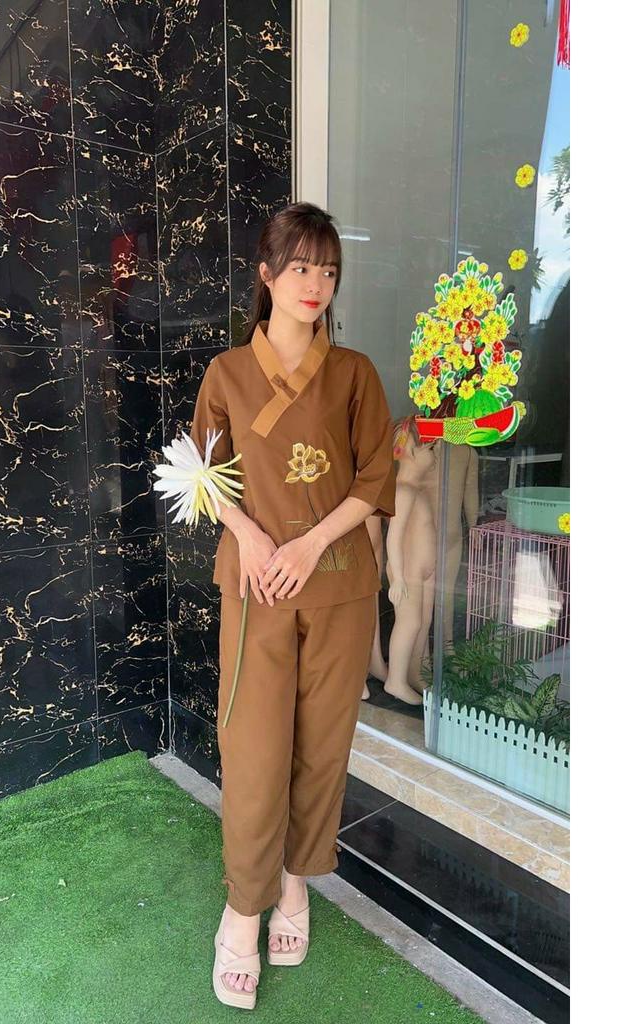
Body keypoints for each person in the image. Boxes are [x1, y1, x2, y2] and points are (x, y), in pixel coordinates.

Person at [188, 202, 396, 1009]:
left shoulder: (356, 374)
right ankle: (244, 909)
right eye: (302, 266)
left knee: (321, 744)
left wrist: (310, 545)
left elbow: (374, 476)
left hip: (338, 583)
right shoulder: (226, 375)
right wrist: (247, 533)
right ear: (267, 275)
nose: (317, 284)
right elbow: (204, 475)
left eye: (329, 269)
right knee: (253, 747)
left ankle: (297, 882)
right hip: (256, 589)